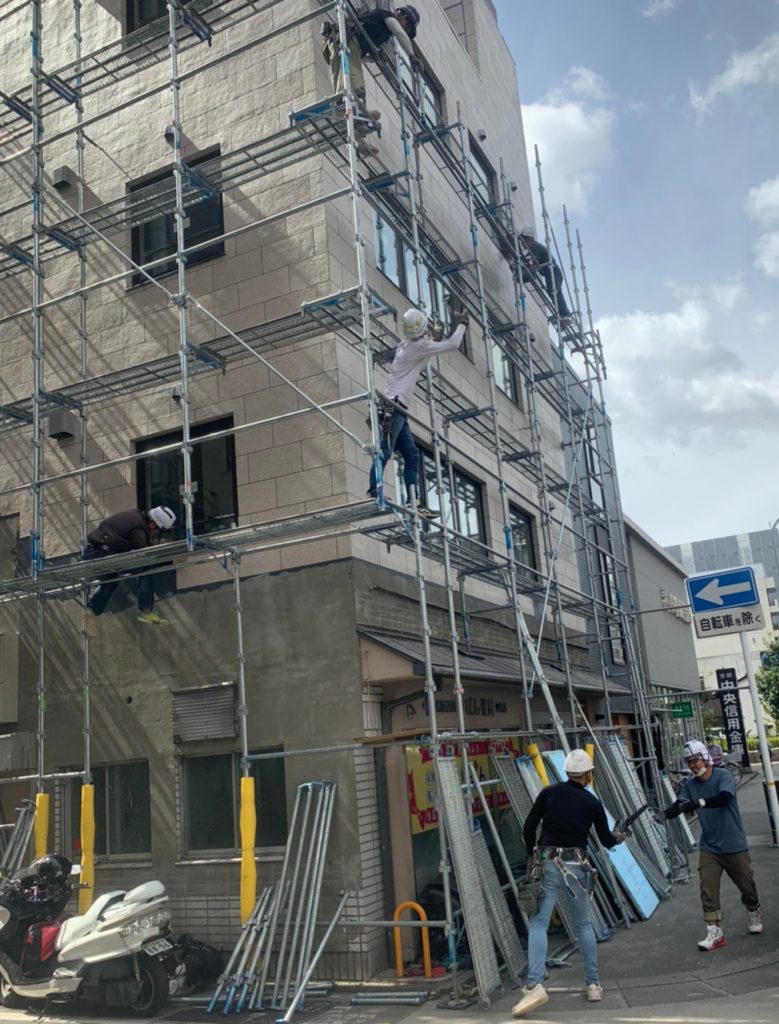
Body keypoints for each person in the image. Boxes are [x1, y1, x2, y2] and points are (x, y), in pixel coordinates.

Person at [512, 749, 626, 1017]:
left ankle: (534, 984)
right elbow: (606, 841)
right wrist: (620, 836)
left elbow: (529, 827)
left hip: (547, 863)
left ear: (566, 772)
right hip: (577, 866)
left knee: (539, 923)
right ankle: (593, 985)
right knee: (583, 924)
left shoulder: (548, 793)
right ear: (588, 774)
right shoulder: (592, 803)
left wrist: (531, 853)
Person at [368, 308, 469, 515]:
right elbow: (453, 344)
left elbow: (421, 360)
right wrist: (462, 325)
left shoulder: (406, 345)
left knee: (412, 455)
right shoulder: (417, 346)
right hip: (393, 407)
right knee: (385, 451)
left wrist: (434, 338)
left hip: (397, 409)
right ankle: (374, 490)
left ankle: (413, 502)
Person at [664, 739, 762, 951]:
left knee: (746, 885)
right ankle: (714, 932)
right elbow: (680, 805)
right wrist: (665, 814)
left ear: (706, 758)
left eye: (696, 760)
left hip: (734, 843)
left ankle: (753, 910)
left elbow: (724, 797)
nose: (693, 766)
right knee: (707, 888)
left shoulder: (723, 776)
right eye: (689, 762)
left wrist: (700, 802)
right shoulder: (690, 785)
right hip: (709, 846)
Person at [321, 6, 420, 138]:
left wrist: (373, 57)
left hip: (341, 43)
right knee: (354, 78)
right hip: (346, 39)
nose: (405, 30)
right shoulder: (386, 15)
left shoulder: (383, 34)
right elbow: (399, 32)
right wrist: (412, 56)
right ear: (401, 14)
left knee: (344, 81)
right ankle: (355, 111)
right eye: (407, 27)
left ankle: (352, 126)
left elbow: (359, 58)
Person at [83, 506, 176, 628]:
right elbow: (143, 556)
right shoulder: (138, 529)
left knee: (111, 581)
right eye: (159, 531)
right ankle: (146, 611)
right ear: (153, 524)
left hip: (93, 554)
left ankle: (91, 610)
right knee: (144, 568)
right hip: (101, 554)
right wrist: (169, 561)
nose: (156, 534)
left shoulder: (135, 520)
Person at [518, 226, 572, 325]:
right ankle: (561, 314)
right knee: (553, 293)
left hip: (553, 271)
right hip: (549, 273)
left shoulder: (536, 247)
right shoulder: (534, 249)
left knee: (555, 291)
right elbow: (531, 263)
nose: (522, 243)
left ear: (529, 239)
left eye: (523, 240)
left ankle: (565, 314)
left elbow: (532, 262)